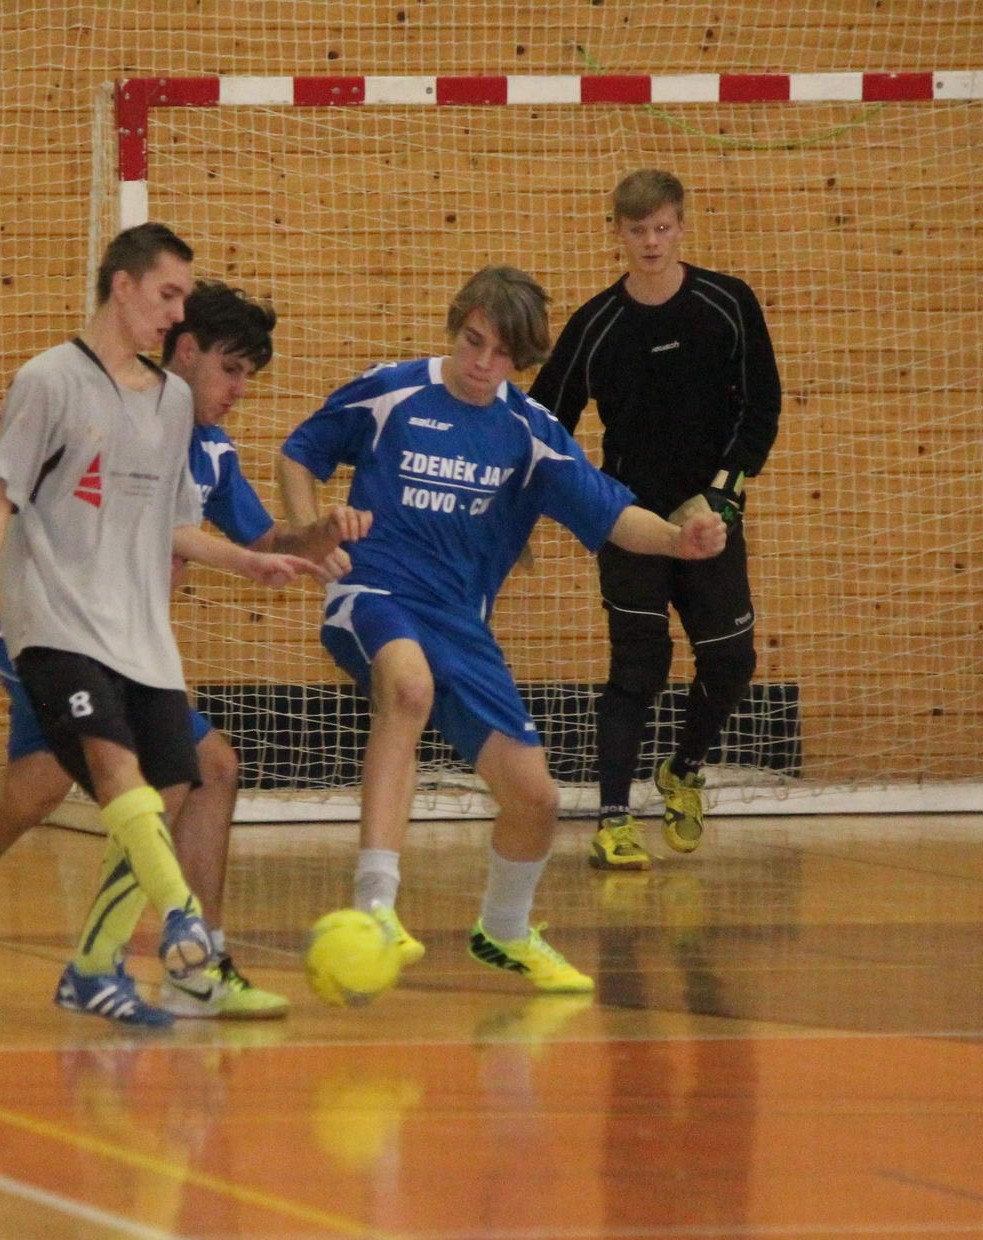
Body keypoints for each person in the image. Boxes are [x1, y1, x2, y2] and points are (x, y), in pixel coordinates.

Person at [0, 278, 364, 1019]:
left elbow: (263, 536)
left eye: (249, 376)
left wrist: (316, 534)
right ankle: (157, 960)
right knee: (180, 773)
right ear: (185, 349)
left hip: (123, 646)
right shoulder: (111, 409)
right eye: (231, 369)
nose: (240, 389)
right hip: (58, 629)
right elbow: (26, 497)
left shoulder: (208, 449)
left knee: (42, 786)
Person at [277, 265, 728, 994]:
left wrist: (679, 540)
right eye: (473, 341)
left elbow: (614, 515)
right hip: (374, 590)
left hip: (461, 623)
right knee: (409, 688)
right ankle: (376, 906)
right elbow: (300, 452)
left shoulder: (529, 433)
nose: (482, 364)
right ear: (455, 327)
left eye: (502, 354)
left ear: (522, 360)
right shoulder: (393, 391)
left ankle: (505, 929)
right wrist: (309, 533)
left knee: (535, 799)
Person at [529, 168, 782, 871]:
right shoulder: (597, 324)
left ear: (681, 227)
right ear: (617, 232)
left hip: (709, 517)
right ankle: (613, 819)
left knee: (731, 660)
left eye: (662, 228)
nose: (650, 242)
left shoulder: (727, 302)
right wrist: (586, 498)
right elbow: (545, 422)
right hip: (630, 520)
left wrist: (725, 491)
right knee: (638, 666)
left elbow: (761, 404)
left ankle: (685, 768)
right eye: (637, 230)